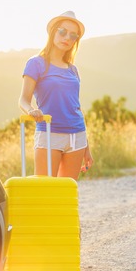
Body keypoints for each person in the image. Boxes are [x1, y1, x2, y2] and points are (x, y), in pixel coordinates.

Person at [19, 10, 93, 180]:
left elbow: (76, 106)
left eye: (73, 35)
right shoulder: (36, 64)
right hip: (49, 132)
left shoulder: (73, 70)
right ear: (53, 32)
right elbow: (23, 99)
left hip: (77, 136)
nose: (67, 37)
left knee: (66, 192)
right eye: (62, 31)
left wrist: (87, 147)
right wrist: (31, 110)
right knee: (45, 191)